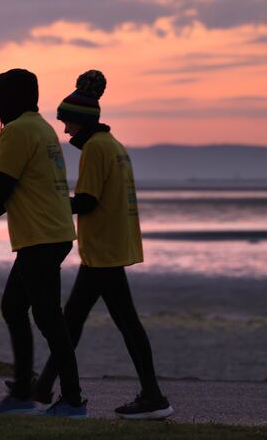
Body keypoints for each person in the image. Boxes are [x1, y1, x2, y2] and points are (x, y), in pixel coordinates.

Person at [31, 69, 174, 420]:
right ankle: (42, 386)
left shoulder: (95, 149)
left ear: (80, 122)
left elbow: (88, 201)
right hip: (108, 246)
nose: (64, 131)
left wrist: (47, 202)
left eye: (66, 123)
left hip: (103, 252)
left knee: (125, 323)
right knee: (73, 320)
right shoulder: (114, 145)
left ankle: (154, 395)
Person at [0, 68, 86, 417]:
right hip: (52, 233)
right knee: (15, 308)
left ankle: (69, 399)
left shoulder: (18, 131)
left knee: (48, 318)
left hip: (41, 235)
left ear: (11, 98)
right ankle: (26, 390)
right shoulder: (41, 128)